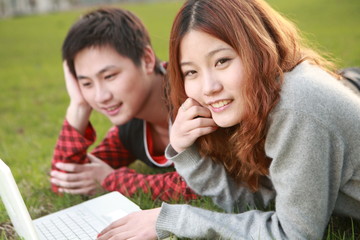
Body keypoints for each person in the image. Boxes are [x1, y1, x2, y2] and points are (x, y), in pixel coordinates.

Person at [96, 0, 360, 239]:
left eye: (222, 61)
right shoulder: (266, 99)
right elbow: (257, 200)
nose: (208, 87)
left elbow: (293, 234)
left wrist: (176, 219)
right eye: (191, 72)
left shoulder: (296, 105)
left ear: (257, 49)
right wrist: (184, 151)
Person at [49, 7, 197, 202]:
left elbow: (198, 185)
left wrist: (110, 180)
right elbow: (66, 179)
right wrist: (78, 106)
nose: (101, 96)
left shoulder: (194, 94)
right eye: (86, 83)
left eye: (109, 76)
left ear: (146, 60)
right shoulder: (129, 129)